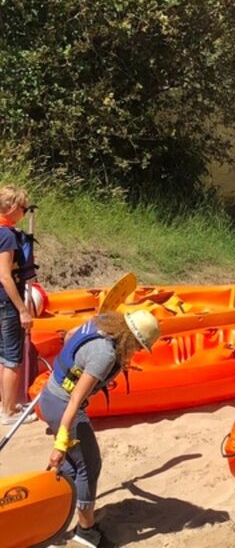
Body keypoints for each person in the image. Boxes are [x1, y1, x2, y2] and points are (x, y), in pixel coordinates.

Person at [40, 310, 160, 547]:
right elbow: (75, 400)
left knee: (73, 466)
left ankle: (54, 516)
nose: (135, 352)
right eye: (137, 346)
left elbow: (71, 336)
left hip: (50, 396)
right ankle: (86, 532)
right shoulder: (104, 355)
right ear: (131, 339)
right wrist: (60, 443)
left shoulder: (102, 320)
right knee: (89, 465)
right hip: (63, 407)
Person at [0, 186, 36, 425]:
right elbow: (4, 275)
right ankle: (10, 412)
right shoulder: (7, 235)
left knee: (3, 355)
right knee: (12, 357)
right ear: (12, 208)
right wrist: (22, 309)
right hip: (6, 302)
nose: (24, 212)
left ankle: (7, 404)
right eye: (23, 208)